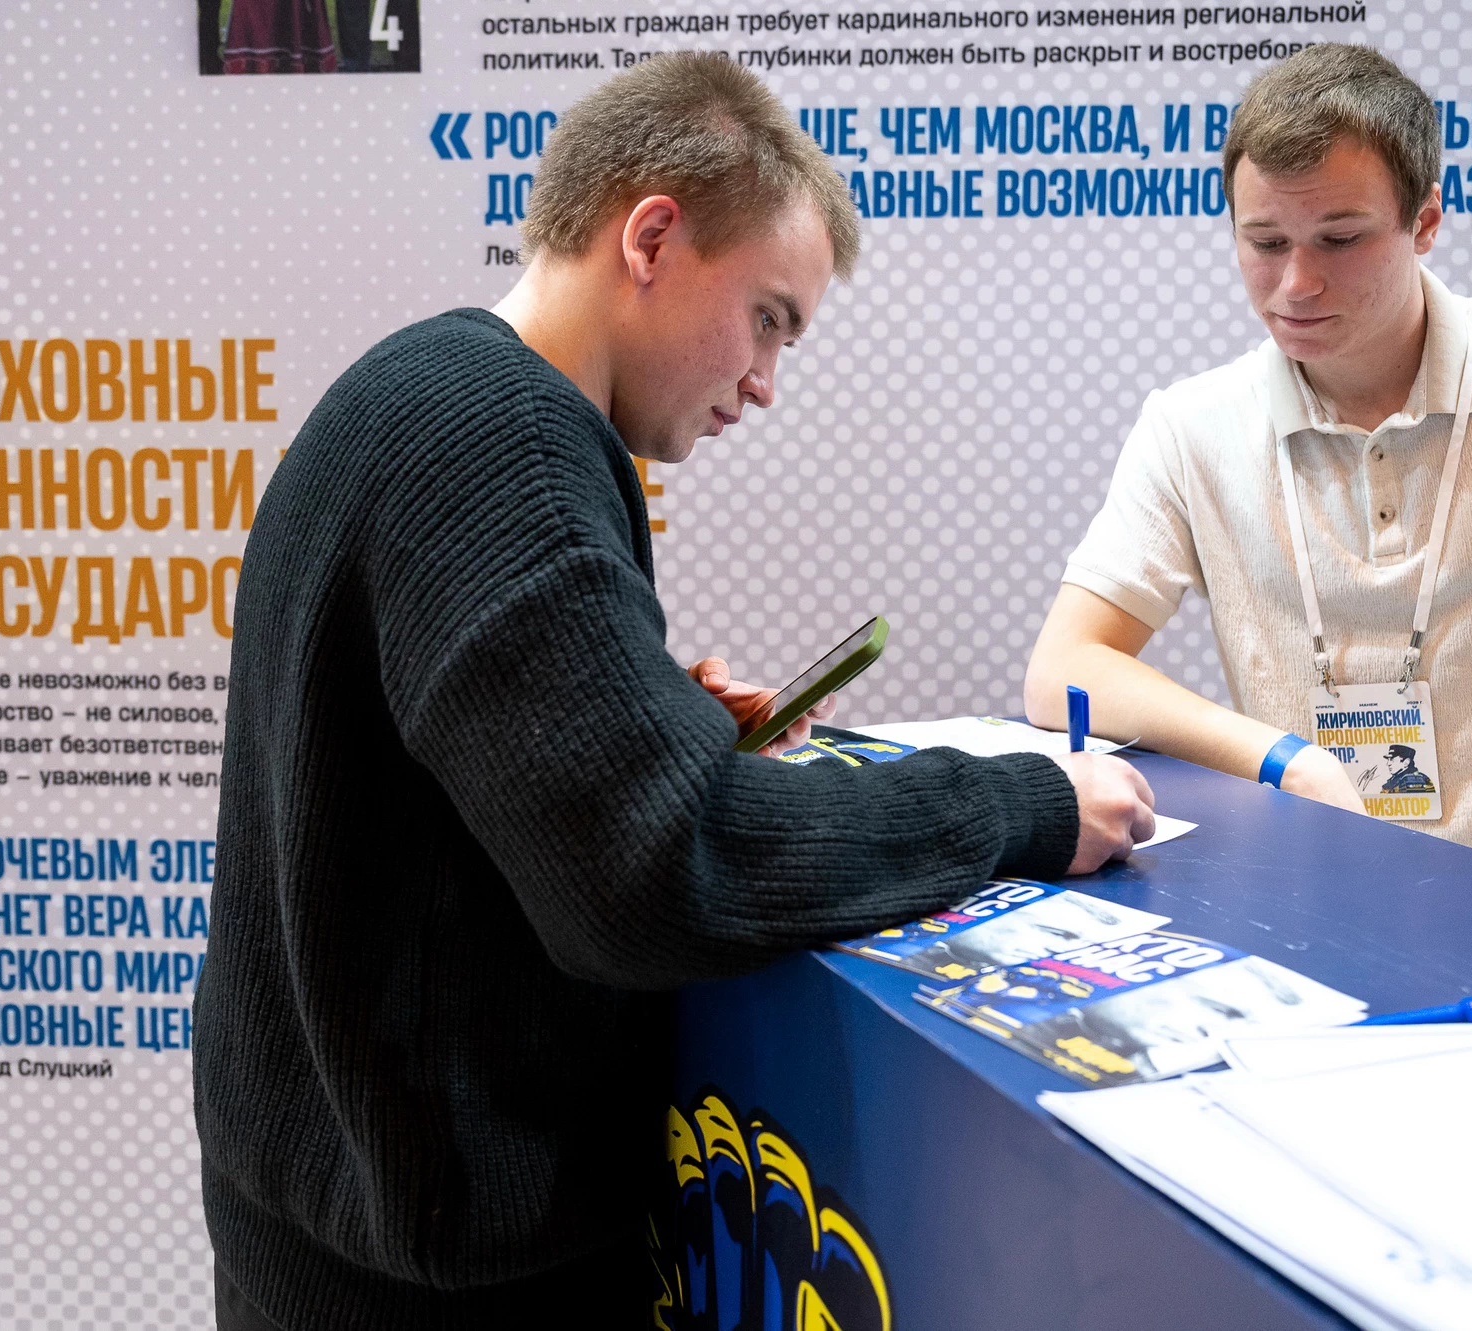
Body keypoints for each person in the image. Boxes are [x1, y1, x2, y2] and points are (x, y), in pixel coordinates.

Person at [194, 53, 1158, 1330]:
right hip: (437, 1276)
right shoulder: (501, 441)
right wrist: (1024, 803)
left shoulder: (417, 389)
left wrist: (653, 725)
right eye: (767, 318)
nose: (764, 381)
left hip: (332, 1230)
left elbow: (443, 797)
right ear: (650, 237)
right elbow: (659, 872)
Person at [1026, 43, 1472, 894]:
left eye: (1340, 239)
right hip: (1317, 926)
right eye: (1265, 241)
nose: (1296, 284)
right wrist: (1283, 759)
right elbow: (1065, 665)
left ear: (1426, 222)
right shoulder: (1192, 426)